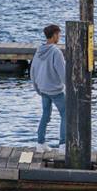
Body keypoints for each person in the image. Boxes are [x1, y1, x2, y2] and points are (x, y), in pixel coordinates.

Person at [31, 24, 66, 153]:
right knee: (66, 114)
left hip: (43, 89)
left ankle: (40, 143)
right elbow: (63, 73)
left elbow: (32, 71)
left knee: (45, 115)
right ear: (55, 35)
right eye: (59, 34)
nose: (60, 37)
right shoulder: (56, 52)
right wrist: (71, 87)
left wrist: (37, 89)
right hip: (55, 90)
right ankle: (63, 145)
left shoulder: (39, 50)